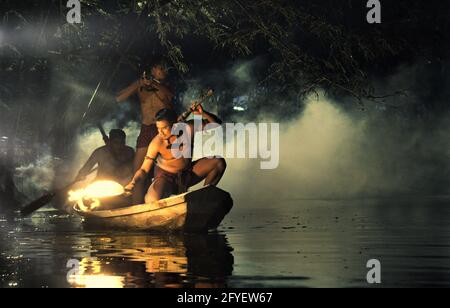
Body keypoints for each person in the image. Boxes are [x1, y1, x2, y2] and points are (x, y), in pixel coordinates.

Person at [125, 106, 226, 203]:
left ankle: (204, 197)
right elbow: (144, 169)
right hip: (165, 178)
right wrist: (133, 182)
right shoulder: (156, 143)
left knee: (219, 162)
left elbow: (216, 124)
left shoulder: (188, 129)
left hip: (186, 174)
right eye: (158, 128)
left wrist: (203, 113)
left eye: (164, 128)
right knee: (152, 199)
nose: (161, 133)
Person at [116, 58, 175, 203]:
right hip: (146, 128)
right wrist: (138, 83)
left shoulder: (167, 85)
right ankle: (136, 206)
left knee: (166, 169)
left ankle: (162, 202)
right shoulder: (141, 86)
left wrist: (153, 83)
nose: (164, 71)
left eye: (164, 69)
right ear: (153, 70)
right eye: (160, 68)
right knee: (138, 170)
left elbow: (170, 96)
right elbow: (119, 98)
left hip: (164, 130)